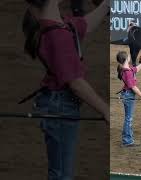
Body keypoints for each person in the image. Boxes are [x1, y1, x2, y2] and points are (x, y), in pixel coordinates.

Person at [22, 0, 109, 179]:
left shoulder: (56, 25)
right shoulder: (58, 34)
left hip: (55, 103)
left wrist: (106, 5)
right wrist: (105, 109)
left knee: (60, 170)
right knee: (62, 174)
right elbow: (75, 83)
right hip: (61, 106)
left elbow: (83, 25)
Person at [116, 51, 141, 147]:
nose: (130, 57)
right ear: (126, 59)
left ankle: (128, 139)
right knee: (128, 119)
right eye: (129, 56)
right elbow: (133, 87)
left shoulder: (127, 69)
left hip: (127, 95)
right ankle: (127, 141)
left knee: (128, 118)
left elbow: (136, 69)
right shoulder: (127, 72)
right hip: (129, 96)